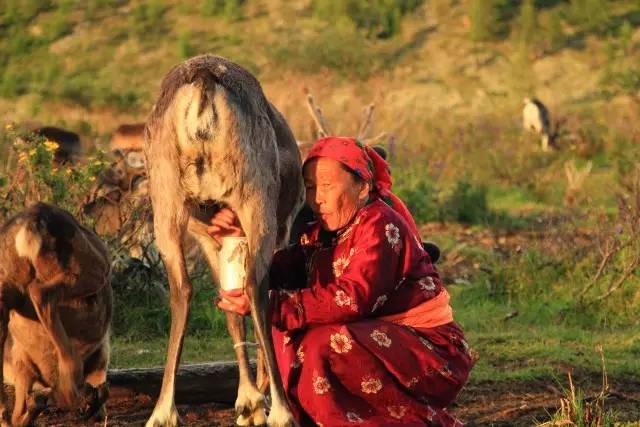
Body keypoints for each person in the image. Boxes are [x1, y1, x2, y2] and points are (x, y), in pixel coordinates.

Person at [208, 136, 473, 426]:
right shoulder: (321, 235)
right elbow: (279, 269)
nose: (317, 197)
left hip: (432, 353)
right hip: (383, 345)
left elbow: (352, 298)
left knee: (324, 341)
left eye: (327, 186)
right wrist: (237, 243)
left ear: (362, 188)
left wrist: (268, 303)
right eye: (310, 187)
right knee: (286, 332)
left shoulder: (381, 225)